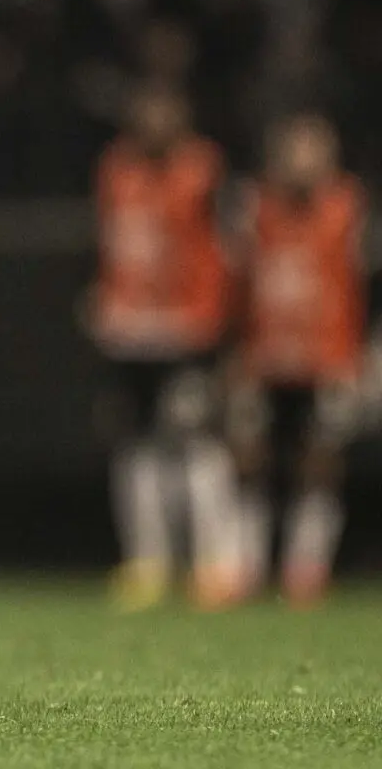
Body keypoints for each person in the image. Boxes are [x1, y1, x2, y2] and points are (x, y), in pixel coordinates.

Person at [90, 83, 234, 610]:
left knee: (196, 443)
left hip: (188, 329)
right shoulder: (115, 168)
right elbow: (110, 240)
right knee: (135, 445)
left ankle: (214, 563)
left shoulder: (204, 169)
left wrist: (218, 321)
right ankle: (147, 562)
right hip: (130, 329)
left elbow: (225, 246)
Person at [227, 113, 367, 606]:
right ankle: (244, 562)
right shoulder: (254, 207)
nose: (302, 163)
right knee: (249, 456)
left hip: (329, 355)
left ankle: (306, 567)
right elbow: (234, 282)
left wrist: (365, 354)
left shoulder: (351, 208)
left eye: (314, 151)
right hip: (265, 354)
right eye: (294, 151)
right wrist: (232, 350)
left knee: (321, 460)